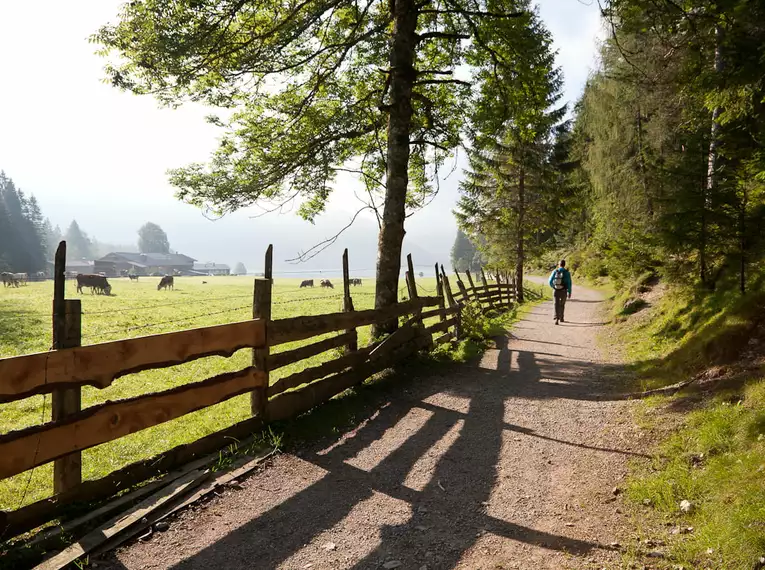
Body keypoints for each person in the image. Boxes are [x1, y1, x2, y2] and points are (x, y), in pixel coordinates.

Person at [548, 260, 572, 325]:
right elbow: (569, 283)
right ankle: (561, 318)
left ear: (559, 264)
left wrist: (553, 286)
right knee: (562, 304)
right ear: (564, 264)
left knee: (556, 304)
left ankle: (556, 318)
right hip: (563, 291)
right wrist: (569, 292)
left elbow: (550, 281)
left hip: (556, 290)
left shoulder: (555, 271)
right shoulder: (567, 273)